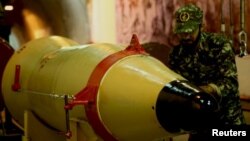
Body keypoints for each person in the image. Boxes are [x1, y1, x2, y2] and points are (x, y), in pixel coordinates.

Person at [168, 3, 246, 141]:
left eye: (190, 31)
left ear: (201, 26)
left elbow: (231, 85)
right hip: (200, 125)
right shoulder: (176, 54)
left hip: (227, 122)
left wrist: (209, 89)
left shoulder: (219, 45)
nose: (185, 37)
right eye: (182, 32)